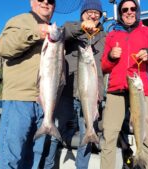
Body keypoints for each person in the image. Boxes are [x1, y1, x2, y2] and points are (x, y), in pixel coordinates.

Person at [100, 0, 148, 169]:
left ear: (137, 11)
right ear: (120, 13)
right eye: (125, 9)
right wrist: (110, 56)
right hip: (116, 92)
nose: (129, 12)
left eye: (133, 8)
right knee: (109, 138)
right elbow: (102, 66)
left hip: (141, 92)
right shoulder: (111, 36)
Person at [40, 0, 106, 168]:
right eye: (88, 12)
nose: (92, 15)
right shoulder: (70, 30)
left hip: (91, 95)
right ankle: (48, 166)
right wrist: (82, 26)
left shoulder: (105, 37)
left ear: (100, 15)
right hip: (67, 94)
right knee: (55, 134)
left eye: (96, 13)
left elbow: (108, 64)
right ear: (82, 14)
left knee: (87, 134)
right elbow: (64, 31)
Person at [0, 0, 56, 168]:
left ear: (54, 6)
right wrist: (36, 32)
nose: (46, 2)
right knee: (10, 158)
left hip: (45, 104)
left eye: (51, 0)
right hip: (19, 100)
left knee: (34, 161)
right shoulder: (20, 20)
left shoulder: (54, 31)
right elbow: (3, 48)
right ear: (32, 2)